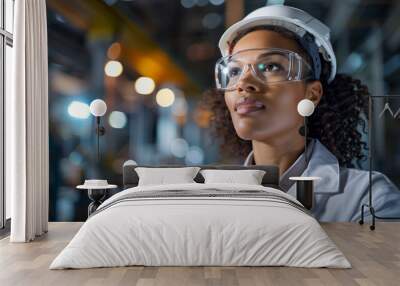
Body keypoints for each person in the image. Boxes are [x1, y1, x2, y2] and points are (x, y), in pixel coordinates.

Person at [203, 5, 400, 222]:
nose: (243, 83)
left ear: (312, 94)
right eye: (234, 71)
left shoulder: (369, 199)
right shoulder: (214, 199)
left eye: (270, 67)